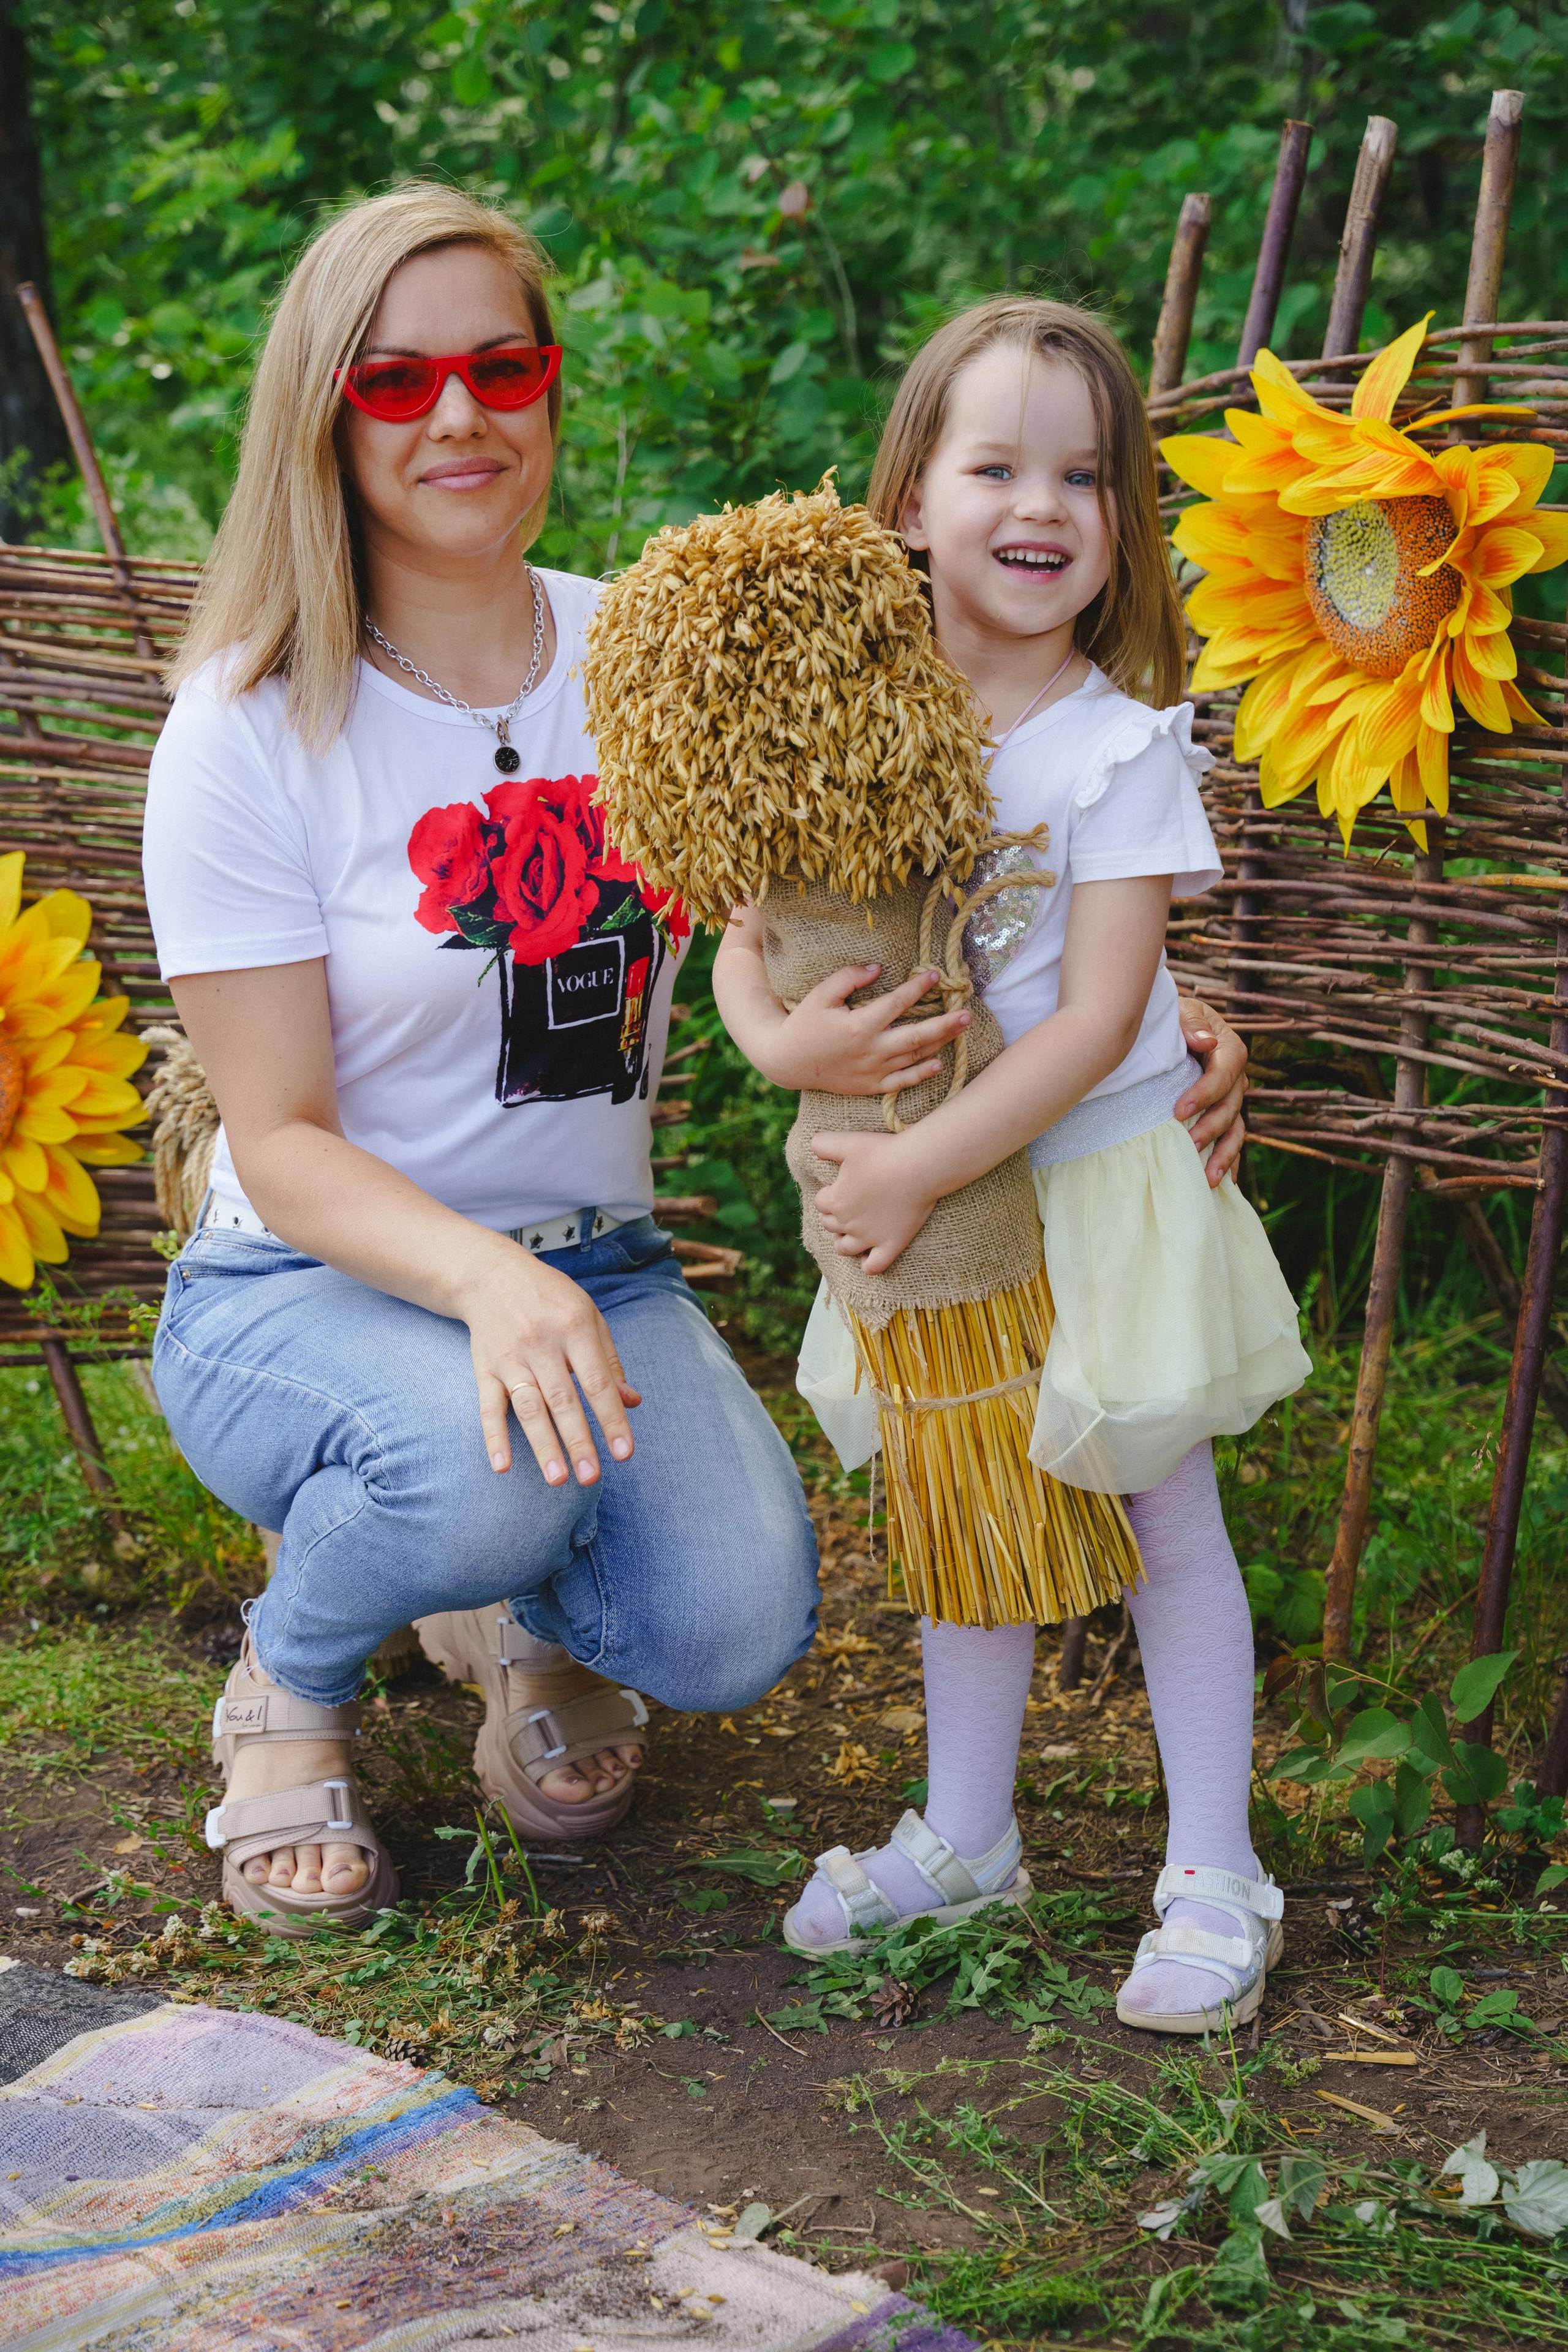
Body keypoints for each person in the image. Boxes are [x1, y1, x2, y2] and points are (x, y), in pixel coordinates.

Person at [143, 188, 1252, 1938]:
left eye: (504, 367)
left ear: (551, 385)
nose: (460, 415)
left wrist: (1156, 1020)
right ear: (322, 412)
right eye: (398, 379)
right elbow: (276, 1139)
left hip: (599, 1266)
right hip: (308, 1278)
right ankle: (296, 1669)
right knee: (484, 1468)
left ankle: (511, 1604)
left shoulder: (655, 657)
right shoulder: (249, 723)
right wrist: (490, 1289)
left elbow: (892, 881)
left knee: (733, 1625)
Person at [714, 298, 1310, 2035]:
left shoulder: (1116, 748)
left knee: (1161, 1517)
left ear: (1123, 521)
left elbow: (1097, 1018)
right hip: (940, 1200)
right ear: (910, 498)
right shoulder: (846, 732)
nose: (1042, 505)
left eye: (1086, 475)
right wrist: (784, 1052)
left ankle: (1216, 1870)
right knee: (957, 1497)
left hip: (1095, 1188)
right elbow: (742, 939)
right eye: (996, 467)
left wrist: (913, 1171)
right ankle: (968, 1835)